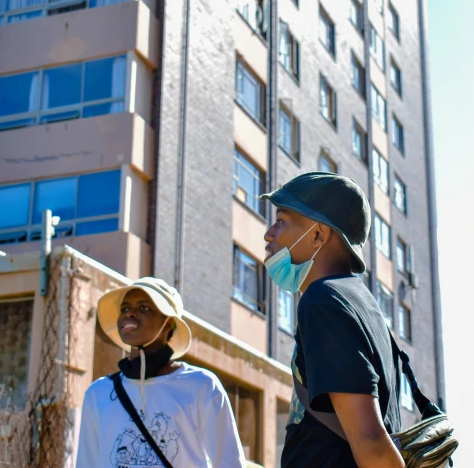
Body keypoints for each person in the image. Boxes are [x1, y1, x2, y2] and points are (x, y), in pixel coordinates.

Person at [262, 172, 404, 468]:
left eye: (281, 220)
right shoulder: (364, 305)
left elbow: (372, 445)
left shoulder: (323, 301)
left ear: (318, 234)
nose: (268, 234)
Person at [76, 277, 247, 468]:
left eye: (144, 308)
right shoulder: (98, 393)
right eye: (124, 309)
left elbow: (229, 462)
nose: (130, 314)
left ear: (168, 323)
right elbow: (86, 462)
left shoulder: (201, 385)